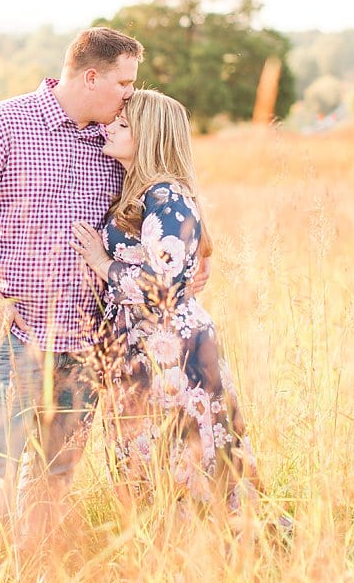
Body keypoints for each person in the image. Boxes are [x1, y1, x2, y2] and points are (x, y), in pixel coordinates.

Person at [0, 26, 176, 562]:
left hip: (85, 344)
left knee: (54, 476)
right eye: (123, 83)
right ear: (91, 76)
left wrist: (193, 259)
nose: (130, 95)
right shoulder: (3, 124)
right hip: (12, 336)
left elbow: (167, 199)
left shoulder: (116, 141)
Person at [71, 89, 265, 520]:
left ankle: (217, 555)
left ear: (148, 137)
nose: (109, 128)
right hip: (141, 347)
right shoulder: (143, 194)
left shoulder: (165, 198)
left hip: (170, 350)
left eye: (122, 126)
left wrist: (104, 265)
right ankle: (169, 558)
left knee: (186, 457)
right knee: (150, 458)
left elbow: (165, 290)